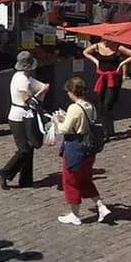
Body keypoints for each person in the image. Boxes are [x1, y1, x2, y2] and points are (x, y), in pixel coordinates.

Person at [53, 76, 113, 226]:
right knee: (86, 179)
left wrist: (56, 121)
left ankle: (75, 214)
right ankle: (101, 206)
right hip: (89, 149)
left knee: (70, 181)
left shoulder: (74, 107)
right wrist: (66, 117)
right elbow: (83, 122)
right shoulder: (89, 106)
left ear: (72, 92)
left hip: (75, 147)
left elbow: (64, 129)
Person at [0, 51, 50, 190]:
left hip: (24, 115)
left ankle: (26, 179)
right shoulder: (22, 79)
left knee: (30, 147)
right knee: (24, 148)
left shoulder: (24, 76)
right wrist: (41, 92)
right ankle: (4, 173)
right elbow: (27, 99)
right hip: (18, 116)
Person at [82, 36, 131, 137]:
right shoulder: (97, 46)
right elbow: (85, 52)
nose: (106, 41)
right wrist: (96, 61)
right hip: (102, 78)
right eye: (105, 39)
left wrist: (122, 63)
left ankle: (106, 132)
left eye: (108, 39)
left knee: (108, 104)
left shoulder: (118, 47)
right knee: (101, 104)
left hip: (114, 79)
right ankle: (108, 129)